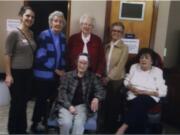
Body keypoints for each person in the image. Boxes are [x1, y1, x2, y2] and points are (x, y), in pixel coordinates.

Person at [116, 48, 167, 134]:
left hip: (150, 97)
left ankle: (123, 127)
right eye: (141, 57)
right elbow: (126, 81)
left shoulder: (158, 71)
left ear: (152, 61)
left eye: (146, 57)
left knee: (141, 100)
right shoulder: (134, 67)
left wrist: (144, 92)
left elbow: (163, 91)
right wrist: (131, 87)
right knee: (140, 112)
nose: (143, 59)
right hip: (133, 95)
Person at [31, 11, 67, 132]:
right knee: (41, 100)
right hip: (43, 75)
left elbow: (62, 56)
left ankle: (46, 121)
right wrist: (56, 69)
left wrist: (62, 70)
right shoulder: (44, 35)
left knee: (51, 100)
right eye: (55, 21)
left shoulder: (62, 37)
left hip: (55, 75)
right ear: (51, 22)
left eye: (61, 21)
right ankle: (35, 124)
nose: (58, 23)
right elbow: (41, 56)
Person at [4, 6, 36, 134]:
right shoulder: (13, 33)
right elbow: (7, 54)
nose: (30, 19)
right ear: (21, 16)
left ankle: (22, 129)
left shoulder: (31, 33)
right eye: (27, 16)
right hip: (16, 73)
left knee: (24, 102)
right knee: (16, 103)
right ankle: (13, 130)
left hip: (28, 73)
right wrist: (8, 74)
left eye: (32, 17)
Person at [57, 53, 105, 135]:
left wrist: (97, 98)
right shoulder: (67, 76)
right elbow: (62, 94)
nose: (82, 65)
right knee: (66, 123)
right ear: (77, 63)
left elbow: (101, 90)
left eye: (85, 63)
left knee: (78, 124)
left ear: (88, 65)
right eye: (80, 62)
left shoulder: (92, 77)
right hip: (65, 105)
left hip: (82, 106)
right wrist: (69, 106)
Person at [102, 22, 128, 133]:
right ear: (111, 32)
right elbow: (103, 63)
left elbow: (120, 66)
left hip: (116, 81)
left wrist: (108, 78)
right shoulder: (107, 46)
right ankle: (104, 128)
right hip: (105, 79)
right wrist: (103, 76)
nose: (116, 33)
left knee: (114, 107)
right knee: (105, 105)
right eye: (114, 30)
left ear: (122, 33)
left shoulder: (124, 48)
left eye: (119, 31)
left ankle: (111, 130)